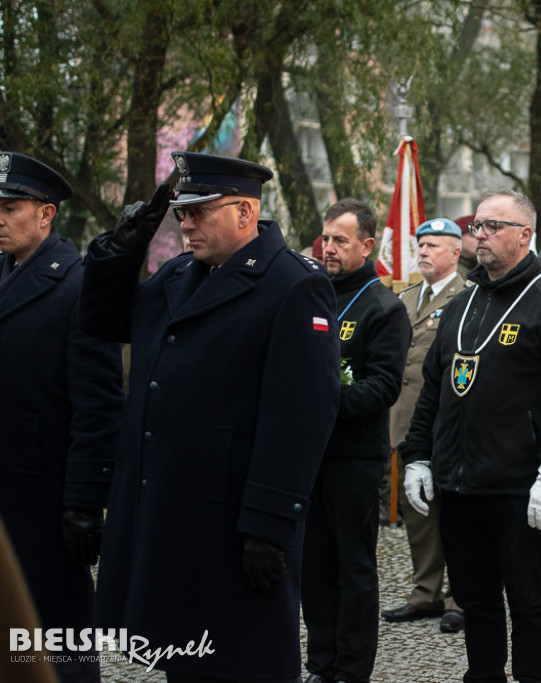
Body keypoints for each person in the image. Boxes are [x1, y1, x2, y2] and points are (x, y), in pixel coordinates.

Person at [80, 151, 341, 682]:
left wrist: (269, 524)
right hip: (172, 508)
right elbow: (103, 322)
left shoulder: (291, 284)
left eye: (200, 212)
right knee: (187, 658)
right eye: (181, 214)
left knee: (242, 661)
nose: (186, 225)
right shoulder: (179, 274)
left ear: (245, 213)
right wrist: (118, 252)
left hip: (232, 517)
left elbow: (300, 414)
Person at [401, 189, 541, 683]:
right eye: (477, 226)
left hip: (519, 486)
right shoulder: (461, 304)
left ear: (525, 235)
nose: (479, 235)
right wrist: (420, 456)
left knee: (528, 602)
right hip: (459, 484)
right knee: (474, 601)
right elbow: (435, 388)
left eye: (492, 227)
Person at [0, 151, 124, 683]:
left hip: (45, 492)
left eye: (10, 208)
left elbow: (98, 405)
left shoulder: (75, 285)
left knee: (56, 634)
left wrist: (83, 502)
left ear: (46, 214)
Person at [302, 198, 412, 683]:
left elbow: (383, 386)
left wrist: (320, 400)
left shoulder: (383, 307)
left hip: (354, 458)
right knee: (313, 567)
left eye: (340, 240)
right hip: (308, 456)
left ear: (367, 246)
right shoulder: (308, 294)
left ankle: (351, 670)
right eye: (326, 238)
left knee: (354, 569)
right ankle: (320, 663)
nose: (328, 248)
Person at [382, 218, 466, 633]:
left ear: (456, 252)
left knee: (452, 513)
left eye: (434, 245)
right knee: (418, 512)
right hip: (404, 419)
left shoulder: (467, 298)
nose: (424, 252)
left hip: (446, 424)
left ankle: (459, 597)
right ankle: (425, 592)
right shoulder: (406, 297)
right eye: (421, 245)